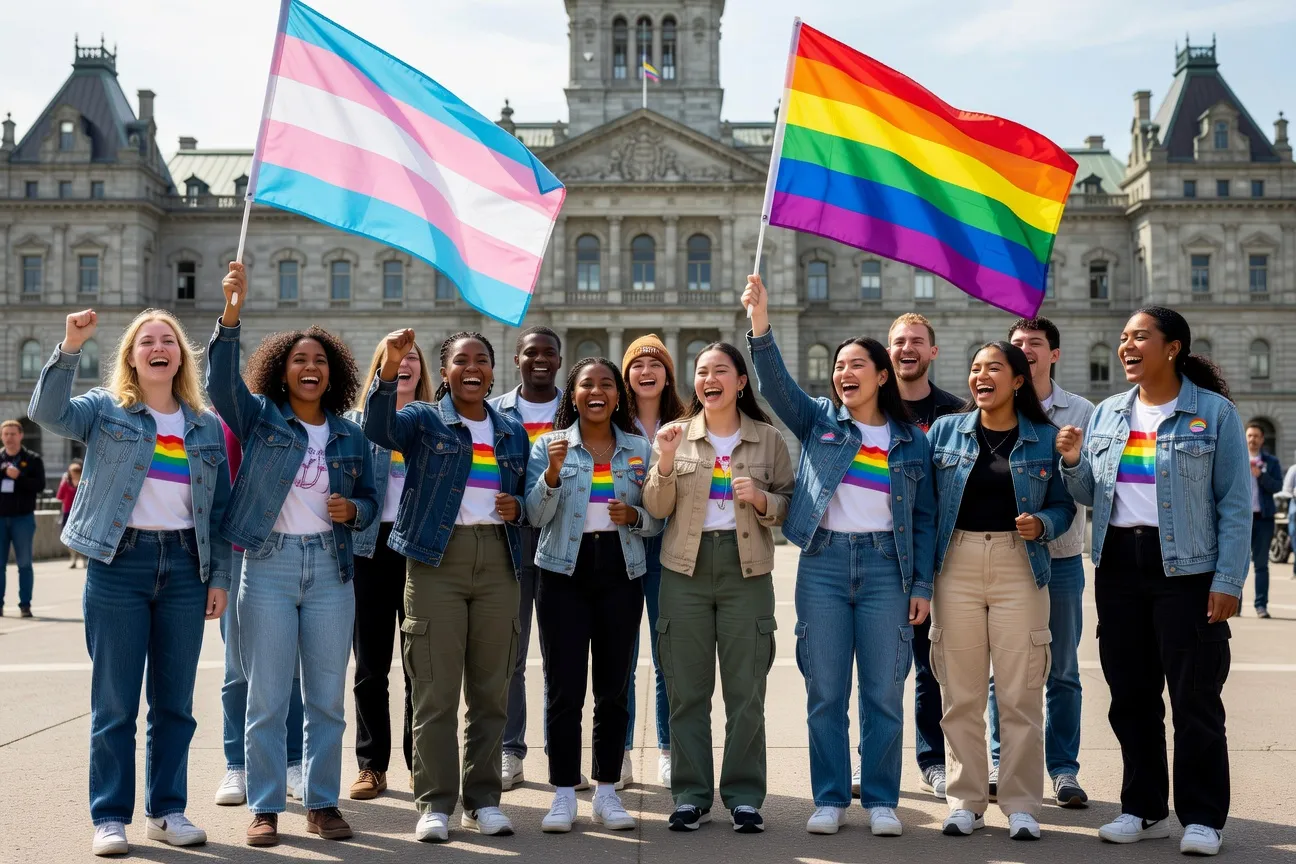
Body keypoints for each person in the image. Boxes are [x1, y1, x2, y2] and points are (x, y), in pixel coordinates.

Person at [29, 307, 231, 857]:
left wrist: (220, 578)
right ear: (132, 356)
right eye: (147, 341)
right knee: (115, 703)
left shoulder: (205, 423)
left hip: (188, 568)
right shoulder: (105, 409)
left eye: (168, 340)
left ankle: (166, 812)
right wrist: (70, 345)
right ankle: (110, 816)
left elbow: (222, 509)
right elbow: (47, 412)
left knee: (175, 705)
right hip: (119, 563)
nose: (158, 347)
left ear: (181, 356)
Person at [743, 275, 935, 837]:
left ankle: (880, 799)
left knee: (883, 691)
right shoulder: (821, 423)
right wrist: (761, 323)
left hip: (887, 569)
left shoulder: (910, 440)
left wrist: (921, 584)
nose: (843, 373)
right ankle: (828, 797)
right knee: (825, 689)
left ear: (882, 376)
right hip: (823, 564)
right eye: (838, 366)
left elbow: (922, 519)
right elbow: (777, 387)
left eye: (856, 365)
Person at [1058, 306, 1249, 856]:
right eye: (1123, 338)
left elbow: (1234, 505)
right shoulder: (1110, 413)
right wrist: (1073, 462)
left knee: (1195, 698)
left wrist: (1229, 579)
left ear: (1173, 348)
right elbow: (1094, 493)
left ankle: (1203, 817)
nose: (1127, 345)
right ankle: (1142, 809)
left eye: (1140, 336)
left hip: (1187, 569)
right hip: (1119, 565)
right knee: (1130, 697)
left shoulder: (1212, 414)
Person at [209, 263, 378, 847]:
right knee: (268, 696)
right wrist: (231, 313)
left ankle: (323, 803)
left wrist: (353, 511)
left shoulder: (350, 435)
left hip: (331, 570)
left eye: (320, 361)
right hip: (270, 565)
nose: (310, 368)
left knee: (326, 698)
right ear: (282, 370)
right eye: (299, 360)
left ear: (334, 373)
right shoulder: (260, 419)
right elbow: (221, 386)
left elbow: (372, 504)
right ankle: (265, 807)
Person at [364, 327, 529, 844]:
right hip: (437, 560)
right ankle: (435, 802)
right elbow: (378, 426)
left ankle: (483, 801)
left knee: (491, 689)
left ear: (493, 371)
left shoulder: (511, 431)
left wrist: (517, 507)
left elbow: (525, 497)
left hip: (499, 562)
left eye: (482, 359)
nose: (472, 368)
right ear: (447, 370)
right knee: (435, 688)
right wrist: (390, 367)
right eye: (461, 360)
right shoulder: (423, 420)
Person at [643, 342, 794, 834]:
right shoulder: (675, 435)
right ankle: (690, 795)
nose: (709, 379)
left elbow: (791, 504)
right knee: (687, 691)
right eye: (702, 371)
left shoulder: (768, 439)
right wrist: (664, 462)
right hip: (683, 570)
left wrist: (763, 498)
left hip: (746, 570)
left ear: (741, 382)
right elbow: (656, 507)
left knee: (746, 691)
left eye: (721, 370)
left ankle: (745, 797)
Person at [926, 341, 1075, 842]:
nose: (980, 376)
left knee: (1020, 693)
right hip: (956, 564)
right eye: (974, 369)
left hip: (1020, 565)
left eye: (993, 368)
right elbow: (924, 505)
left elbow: (1064, 506)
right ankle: (965, 799)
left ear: (1018, 380)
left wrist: (1044, 523)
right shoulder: (946, 431)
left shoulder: (1044, 438)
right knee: (961, 692)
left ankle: (1021, 805)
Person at [526, 357, 662, 833]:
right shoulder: (549, 445)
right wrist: (552, 476)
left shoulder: (639, 449)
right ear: (574, 394)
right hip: (563, 573)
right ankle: (563, 793)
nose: (597, 391)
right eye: (587, 384)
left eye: (607, 383)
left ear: (618, 395)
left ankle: (607, 792)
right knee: (564, 688)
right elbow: (534, 516)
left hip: (621, 572)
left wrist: (637, 519)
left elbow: (657, 516)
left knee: (613, 687)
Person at [984, 317, 1094, 808]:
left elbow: (1093, 487)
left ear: (1054, 354)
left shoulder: (1083, 412)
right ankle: (999, 759)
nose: (1024, 349)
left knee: (1063, 670)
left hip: (1062, 557)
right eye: (1017, 344)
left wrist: (1072, 461)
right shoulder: (994, 405)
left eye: (1035, 343)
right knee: (1000, 671)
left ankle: (1063, 769)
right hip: (1006, 559)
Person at [345, 337, 435, 800]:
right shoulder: (357, 426)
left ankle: (420, 764)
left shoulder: (436, 425)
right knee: (371, 665)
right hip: (370, 546)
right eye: (395, 359)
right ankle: (371, 764)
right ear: (380, 369)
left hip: (421, 547)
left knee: (420, 665)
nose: (404, 364)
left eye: (412, 359)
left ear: (422, 372)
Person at [886, 312, 963, 799]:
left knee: (933, 668)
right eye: (898, 341)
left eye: (917, 341)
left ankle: (932, 758)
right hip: (882, 556)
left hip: (939, 560)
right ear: (887, 351)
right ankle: (871, 759)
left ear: (933, 352)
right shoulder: (870, 406)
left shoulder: (956, 413)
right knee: (879, 670)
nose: (907, 348)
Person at [212, 416, 307, 809]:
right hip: (239, 553)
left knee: (294, 667)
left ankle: (292, 761)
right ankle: (238, 764)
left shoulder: (303, 418)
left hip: (293, 551)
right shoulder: (230, 419)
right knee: (238, 666)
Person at [490, 326, 564, 792]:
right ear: (516, 358)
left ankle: (562, 755)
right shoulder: (495, 413)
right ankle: (510, 752)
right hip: (509, 545)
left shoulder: (576, 410)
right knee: (509, 658)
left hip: (562, 543)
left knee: (563, 658)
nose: (540, 360)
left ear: (560, 360)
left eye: (549, 353)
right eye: (531, 353)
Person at [621, 334, 686, 787]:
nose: (646, 371)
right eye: (637, 364)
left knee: (670, 657)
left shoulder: (689, 423)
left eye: (655, 364)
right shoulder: (611, 421)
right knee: (619, 657)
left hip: (670, 550)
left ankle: (667, 748)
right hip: (622, 547)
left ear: (668, 373)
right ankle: (619, 751)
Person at [0, 419, 46, 616]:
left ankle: (25, 604)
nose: (9, 438)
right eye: (6, 434)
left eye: (13, 434)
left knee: (24, 564)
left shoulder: (33, 459)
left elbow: (40, 486)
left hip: (23, 519)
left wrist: (19, 477)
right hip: (0, 518)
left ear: (20, 435)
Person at [1244, 423, 1283, 619]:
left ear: (1262, 439)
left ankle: (1261, 605)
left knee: (1261, 564)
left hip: (1263, 519)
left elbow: (1277, 486)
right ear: (1245, 437)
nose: (1252, 439)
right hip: (1240, 520)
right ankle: (1235, 606)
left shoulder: (1271, 462)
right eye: (1249, 435)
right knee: (1236, 564)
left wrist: (1262, 476)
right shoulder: (1237, 458)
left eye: (1256, 436)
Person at [57, 459, 86, 568]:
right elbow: (59, 496)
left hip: (81, 514)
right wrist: (62, 483)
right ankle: (73, 558)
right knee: (69, 538)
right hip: (67, 512)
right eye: (72, 472)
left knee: (81, 538)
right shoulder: (66, 483)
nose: (74, 474)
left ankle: (83, 559)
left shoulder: (84, 482)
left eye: (76, 472)